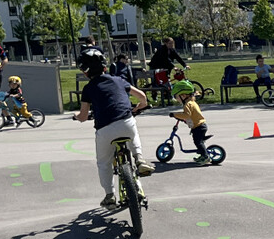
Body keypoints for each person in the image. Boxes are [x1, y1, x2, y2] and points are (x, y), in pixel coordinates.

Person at [71, 47, 153, 206]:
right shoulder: (118, 80)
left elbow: (83, 115)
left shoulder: (88, 89)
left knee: (104, 163)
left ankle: (110, 195)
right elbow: (142, 96)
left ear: (85, 72)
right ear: (104, 66)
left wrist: (77, 117)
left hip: (105, 129)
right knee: (133, 133)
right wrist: (139, 106)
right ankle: (139, 159)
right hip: (126, 122)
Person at [170, 85, 214, 163]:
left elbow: (186, 115)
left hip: (198, 127)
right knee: (198, 141)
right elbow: (192, 115)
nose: (176, 99)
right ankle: (202, 154)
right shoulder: (192, 102)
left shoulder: (187, 104)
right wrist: (184, 119)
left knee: (198, 142)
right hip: (200, 126)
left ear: (183, 95)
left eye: (176, 97)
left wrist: (174, 114)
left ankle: (205, 157)